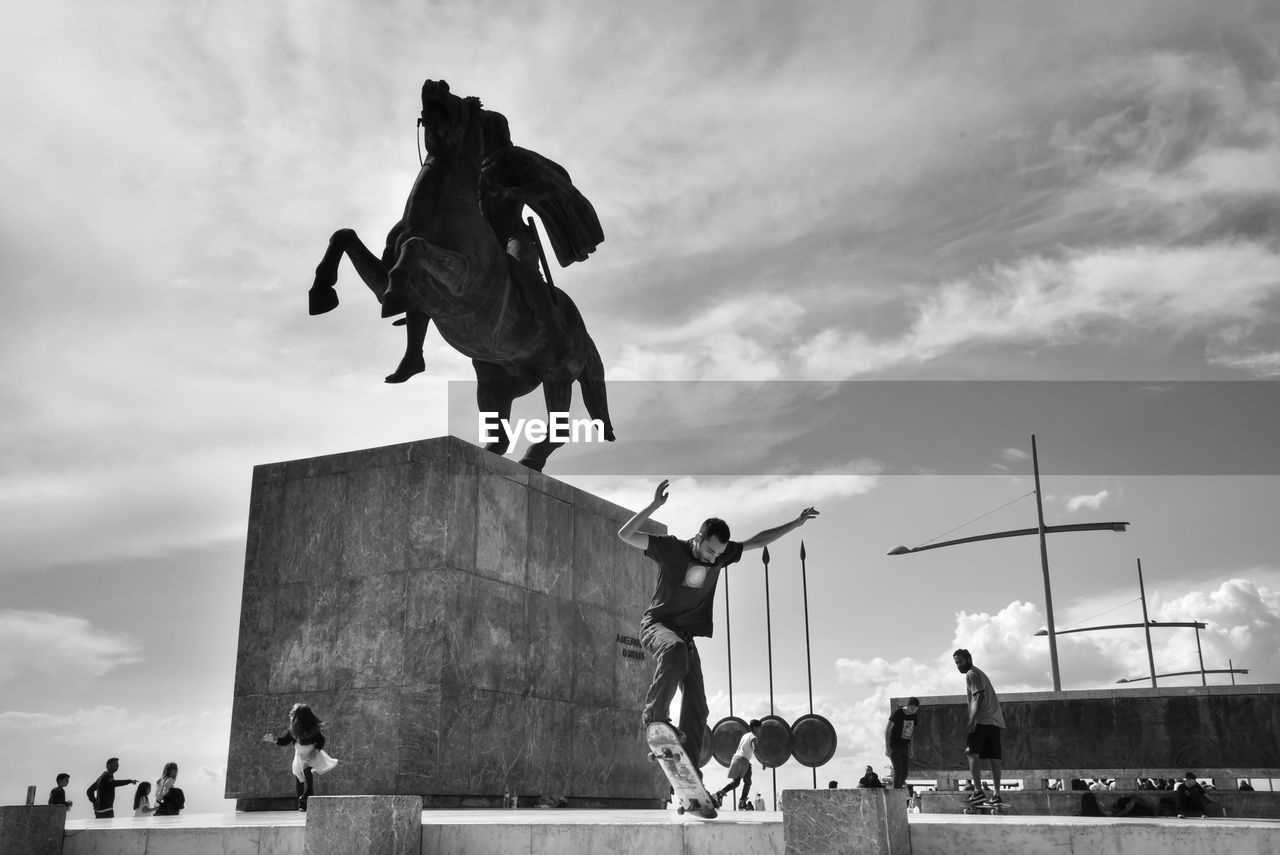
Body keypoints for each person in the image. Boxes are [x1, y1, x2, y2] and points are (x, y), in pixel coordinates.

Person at [617, 479, 818, 769]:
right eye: (710, 551)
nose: (714, 558)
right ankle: (655, 721)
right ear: (698, 537)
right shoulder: (670, 548)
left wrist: (795, 524)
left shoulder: (722, 555)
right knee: (673, 651)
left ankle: (688, 767)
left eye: (718, 554)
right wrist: (654, 506)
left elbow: (758, 540)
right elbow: (626, 534)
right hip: (657, 626)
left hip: (685, 637)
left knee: (698, 705)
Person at [262, 702, 340, 811]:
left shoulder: (312, 729)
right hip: (299, 754)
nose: (294, 718)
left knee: (306, 769)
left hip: (311, 753)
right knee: (299, 778)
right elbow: (285, 741)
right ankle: (302, 803)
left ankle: (309, 791)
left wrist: (316, 750)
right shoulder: (293, 729)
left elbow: (321, 740)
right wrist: (274, 739)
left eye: (297, 716)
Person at [953, 648, 1006, 807]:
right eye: (956, 663)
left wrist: (973, 719)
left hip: (981, 720)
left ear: (969, 659)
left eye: (960, 661)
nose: (958, 666)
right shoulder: (980, 672)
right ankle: (996, 794)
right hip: (995, 721)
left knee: (971, 754)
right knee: (994, 759)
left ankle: (978, 791)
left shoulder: (971, 674)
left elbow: (979, 695)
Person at [711, 719, 765, 809]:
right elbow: (754, 748)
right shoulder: (753, 737)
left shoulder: (745, 735)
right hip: (744, 761)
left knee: (736, 783)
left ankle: (720, 793)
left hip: (735, 759)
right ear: (755, 728)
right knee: (748, 782)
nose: (760, 731)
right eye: (760, 728)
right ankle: (742, 801)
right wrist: (762, 760)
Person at [885, 697, 919, 789]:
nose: (913, 711)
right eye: (912, 708)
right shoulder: (897, 713)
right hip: (894, 746)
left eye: (915, 709)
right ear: (907, 706)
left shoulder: (913, 717)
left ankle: (898, 789)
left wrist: (911, 749)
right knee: (898, 771)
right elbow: (887, 731)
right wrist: (887, 748)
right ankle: (895, 792)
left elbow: (911, 733)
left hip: (905, 747)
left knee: (904, 772)